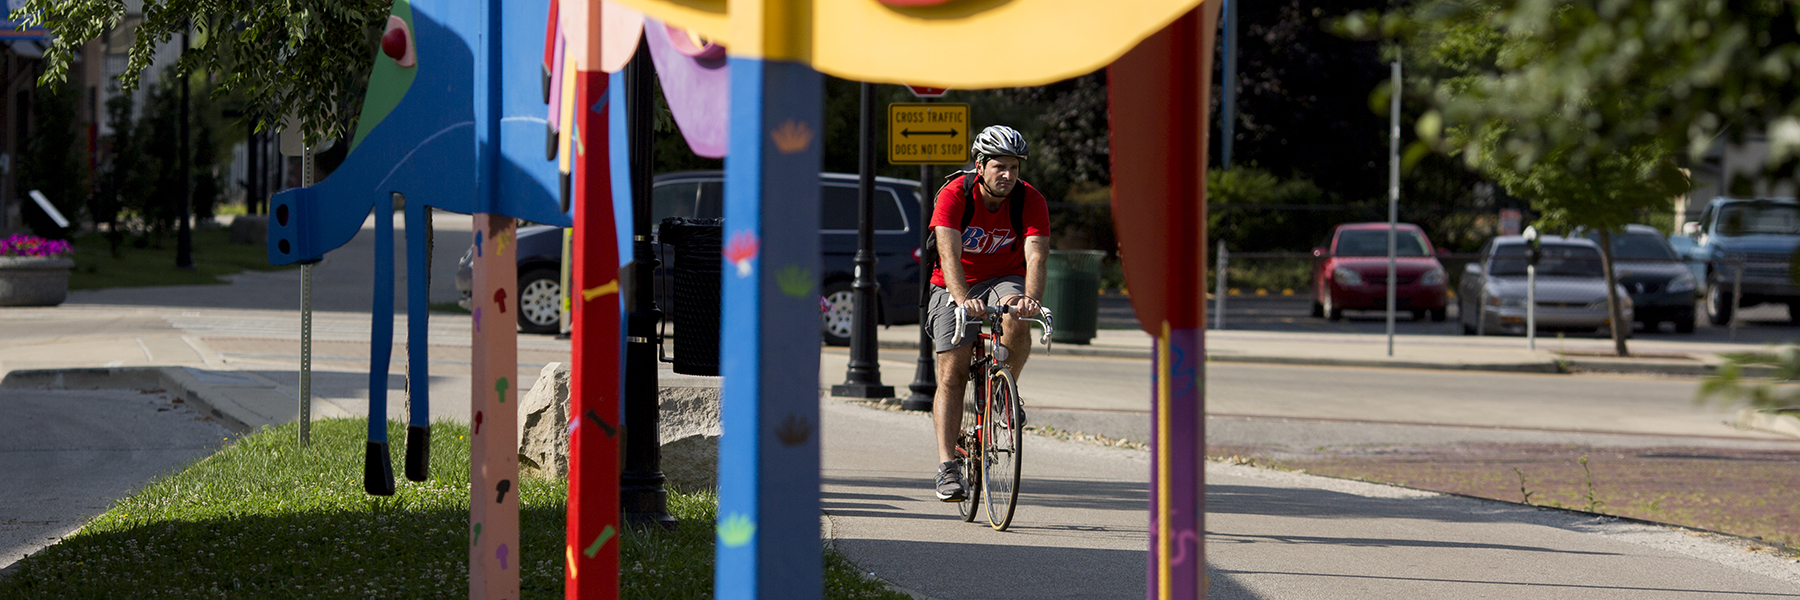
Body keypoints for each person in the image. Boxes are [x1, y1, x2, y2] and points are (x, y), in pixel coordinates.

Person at [926, 125, 1051, 502]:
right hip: (952, 281)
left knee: (1016, 314)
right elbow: (948, 255)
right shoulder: (954, 195)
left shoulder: (1029, 199)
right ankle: (948, 467)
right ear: (980, 166)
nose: (1008, 175)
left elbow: (1036, 255)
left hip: (1004, 277)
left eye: (1013, 167)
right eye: (999, 166)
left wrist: (1029, 299)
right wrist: (963, 298)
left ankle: (1003, 395)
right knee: (953, 371)